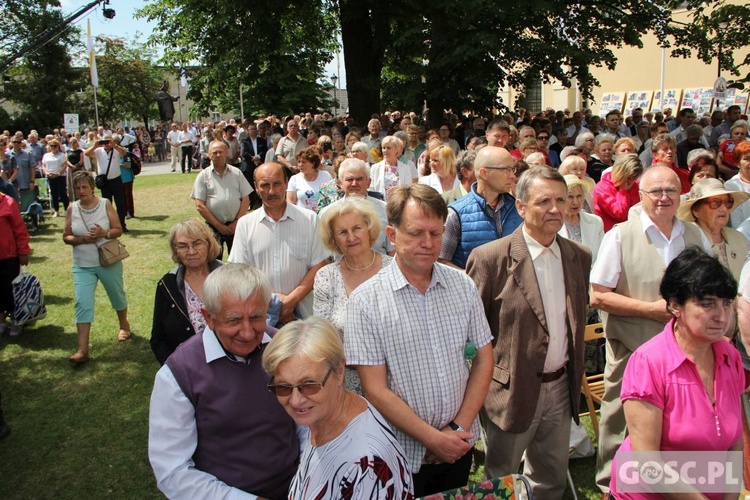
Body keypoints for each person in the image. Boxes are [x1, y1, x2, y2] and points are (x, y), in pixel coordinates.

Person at [345, 184, 493, 497]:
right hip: (400, 453)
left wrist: (456, 430)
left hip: (459, 444)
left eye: (435, 233)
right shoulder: (365, 301)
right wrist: (432, 438)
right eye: (415, 233)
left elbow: (484, 357)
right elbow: (375, 388)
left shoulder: (462, 285)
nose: (428, 243)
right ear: (393, 234)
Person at [466, 167, 592, 497]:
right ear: (521, 207)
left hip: (561, 387)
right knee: (500, 480)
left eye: (561, 200)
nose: (555, 209)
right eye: (544, 201)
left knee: (550, 477)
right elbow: (471, 334)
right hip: (511, 391)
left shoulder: (579, 257)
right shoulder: (490, 259)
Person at [590, 166, 709, 493]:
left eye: (671, 190)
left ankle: (668, 483)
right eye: (655, 191)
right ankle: (611, 485)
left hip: (685, 350)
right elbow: (598, 295)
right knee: (620, 419)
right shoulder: (620, 235)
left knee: (678, 417)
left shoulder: (694, 236)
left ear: (681, 195)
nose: (664, 198)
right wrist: (652, 311)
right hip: (633, 346)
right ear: (641, 196)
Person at [148, 264, 299, 499]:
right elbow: (173, 471)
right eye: (234, 320)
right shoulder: (179, 373)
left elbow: (310, 424)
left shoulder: (285, 348)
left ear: (268, 309)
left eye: (257, 317)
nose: (248, 333)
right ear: (208, 317)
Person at [610, 247, 743, 500]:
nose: (721, 315)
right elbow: (649, 464)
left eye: (726, 304)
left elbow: (734, 445)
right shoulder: (648, 363)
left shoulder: (729, 356)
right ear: (675, 305)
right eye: (707, 304)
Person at [263, 316, 414, 498]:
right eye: (283, 387)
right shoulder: (324, 416)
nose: (295, 400)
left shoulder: (366, 465)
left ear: (339, 370)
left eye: (309, 384)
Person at [229, 162, 329, 324]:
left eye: (277, 184)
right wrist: (272, 304)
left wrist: (290, 302)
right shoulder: (245, 224)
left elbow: (320, 265)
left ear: (286, 183)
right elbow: (239, 272)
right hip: (261, 317)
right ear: (255, 187)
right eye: (265, 185)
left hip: (303, 315)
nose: (272, 191)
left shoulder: (309, 219)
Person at [314, 197, 393, 394]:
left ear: (369, 229)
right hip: (347, 386)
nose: (351, 237)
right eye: (342, 232)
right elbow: (323, 336)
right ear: (333, 240)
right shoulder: (327, 276)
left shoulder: (394, 270)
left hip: (397, 381)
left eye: (357, 228)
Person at [63, 171, 131, 365]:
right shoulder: (71, 209)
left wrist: (104, 232)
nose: (81, 191)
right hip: (82, 266)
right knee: (82, 303)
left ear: (92, 187)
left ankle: (124, 325)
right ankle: (82, 350)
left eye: (84, 187)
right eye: (77, 188)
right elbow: (66, 236)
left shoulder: (105, 204)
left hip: (107, 262)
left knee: (116, 295)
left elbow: (118, 230)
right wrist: (80, 239)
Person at [150, 218, 223, 365]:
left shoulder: (229, 276)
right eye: (183, 246)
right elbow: (158, 339)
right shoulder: (167, 285)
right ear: (175, 250)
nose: (191, 251)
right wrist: (174, 368)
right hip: (187, 367)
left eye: (197, 244)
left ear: (208, 244)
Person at [439, 146, 523, 269]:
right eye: (506, 169)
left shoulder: (518, 209)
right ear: (484, 173)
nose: (512, 176)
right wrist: (471, 279)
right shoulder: (456, 214)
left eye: (513, 169)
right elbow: (441, 261)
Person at [676, 178, 750, 279]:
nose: (723, 208)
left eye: (728, 202)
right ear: (696, 210)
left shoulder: (739, 238)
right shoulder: (684, 240)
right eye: (715, 203)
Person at [190, 140, 252, 259]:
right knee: (214, 262)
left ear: (227, 153)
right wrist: (219, 226)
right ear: (209, 155)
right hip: (213, 227)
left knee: (238, 261)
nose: (218, 155)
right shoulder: (203, 176)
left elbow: (246, 199)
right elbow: (200, 205)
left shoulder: (237, 173)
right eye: (214, 152)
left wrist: (237, 222)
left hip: (236, 226)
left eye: (221, 152)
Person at [318, 158, 393, 255]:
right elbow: (324, 255)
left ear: (368, 182)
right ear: (340, 183)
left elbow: (392, 250)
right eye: (349, 179)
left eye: (359, 179)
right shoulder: (327, 214)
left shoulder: (385, 209)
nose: (354, 184)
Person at [0, 188, 30, 337]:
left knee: (11, 289)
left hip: (9, 256)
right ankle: (1, 321)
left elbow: (20, 230)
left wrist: (23, 251)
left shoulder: (8, 202)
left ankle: (16, 320)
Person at [85, 135, 129, 232]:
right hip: (105, 182)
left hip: (116, 180)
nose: (106, 143)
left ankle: (121, 224)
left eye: (108, 141)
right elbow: (87, 154)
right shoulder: (99, 151)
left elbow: (124, 153)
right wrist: (95, 145)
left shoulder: (116, 149)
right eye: (104, 141)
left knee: (120, 204)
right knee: (106, 204)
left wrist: (115, 145)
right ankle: (108, 225)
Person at [593, 154, 643, 232]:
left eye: (634, 178)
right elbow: (620, 214)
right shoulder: (602, 188)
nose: (631, 181)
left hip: (634, 231)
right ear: (621, 173)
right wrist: (623, 190)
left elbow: (639, 210)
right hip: (611, 233)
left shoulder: (636, 185)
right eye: (629, 178)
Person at [559, 174, 604, 262]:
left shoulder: (595, 222)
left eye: (579, 196)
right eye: (570, 197)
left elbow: (603, 256)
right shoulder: (552, 224)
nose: (575, 202)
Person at [369, 136, 418, 200]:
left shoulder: (405, 168)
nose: (385, 150)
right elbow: (371, 189)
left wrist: (400, 190)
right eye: (383, 148)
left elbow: (409, 188)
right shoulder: (375, 168)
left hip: (399, 204)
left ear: (396, 150)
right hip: (380, 204)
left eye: (389, 148)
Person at [286, 146, 332, 212]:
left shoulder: (326, 175)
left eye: (303, 162)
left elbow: (332, 197)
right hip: (302, 219)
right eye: (299, 162)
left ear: (313, 163)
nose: (300, 165)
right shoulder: (294, 179)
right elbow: (290, 201)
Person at [41, 139, 69, 217]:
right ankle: (56, 211)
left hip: (60, 176)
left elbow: (64, 165)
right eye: (51, 146)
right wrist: (46, 173)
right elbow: (43, 165)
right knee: (54, 194)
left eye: (55, 146)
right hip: (50, 176)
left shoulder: (62, 155)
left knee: (63, 193)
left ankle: (67, 210)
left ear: (58, 146)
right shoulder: (46, 155)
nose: (53, 147)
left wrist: (58, 173)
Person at [64, 137, 85, 202]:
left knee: (79, 183)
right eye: (71, 142)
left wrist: (76, 166)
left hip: (79, 169)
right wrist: (71, 166)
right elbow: (66, 160)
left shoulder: (80, 151)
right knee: (71, 184)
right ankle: (73, 198)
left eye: (74, 142)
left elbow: (82, 160)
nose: (72, 143)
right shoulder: (68, 151)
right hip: (70, 169)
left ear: (77, 143)